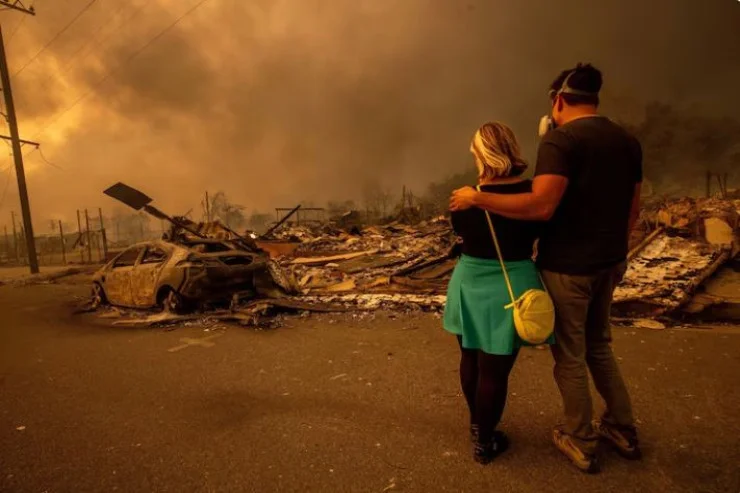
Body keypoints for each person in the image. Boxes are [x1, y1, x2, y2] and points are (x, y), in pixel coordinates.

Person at [449, 63, 642, 474]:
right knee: (600, 346)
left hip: (569, 267)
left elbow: (542, 206)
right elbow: (633, 206)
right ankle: (622, 428)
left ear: (558, 100)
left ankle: (581, 439)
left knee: (569, 356)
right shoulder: (627, 139)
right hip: (610, 261)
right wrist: (620, 252)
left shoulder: (561, 141)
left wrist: (477, 197)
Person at [444, 122, 554, 465]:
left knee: (470, 359)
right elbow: (541, 228)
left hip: (468, 281)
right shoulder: (533, 194)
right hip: (513, 283)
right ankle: (485, 440)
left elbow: (461, 232)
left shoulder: (463, 198)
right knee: (494, 371)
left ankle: (479, 429)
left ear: (482, 153)